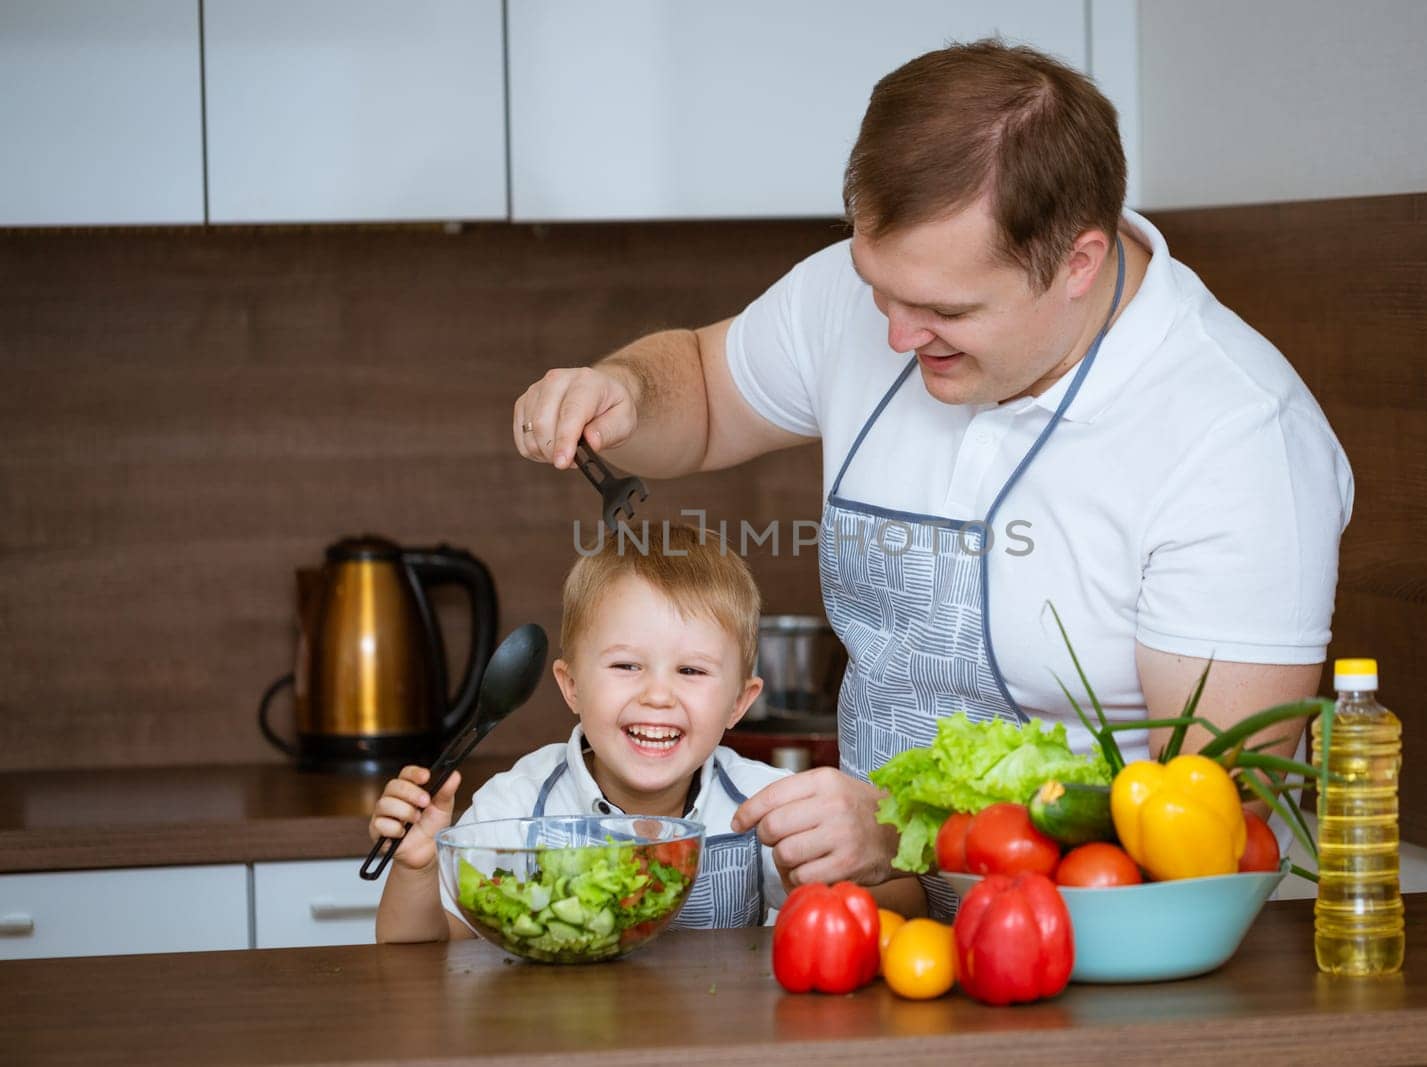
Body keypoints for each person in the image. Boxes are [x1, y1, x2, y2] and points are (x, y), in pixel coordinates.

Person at [509, 40, 1353, 907]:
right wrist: (625, 390)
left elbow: (1217, 814)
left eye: (946, 312)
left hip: (1108, 965)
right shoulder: (879, 290)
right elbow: (708, 388)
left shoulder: (1237, 438)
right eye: (879, 288)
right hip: (891, 940)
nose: (896, 339)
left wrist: (910, 826)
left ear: (1079, 264)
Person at [368, 525, 926, 942]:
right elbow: (422, 953)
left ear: (739, 702)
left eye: (691, 671)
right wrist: (415, 868)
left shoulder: (767, 804)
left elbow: (910, 901)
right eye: (627, 666)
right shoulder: (515, 808)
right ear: (571, 687)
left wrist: (829, 891)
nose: (658, 695)